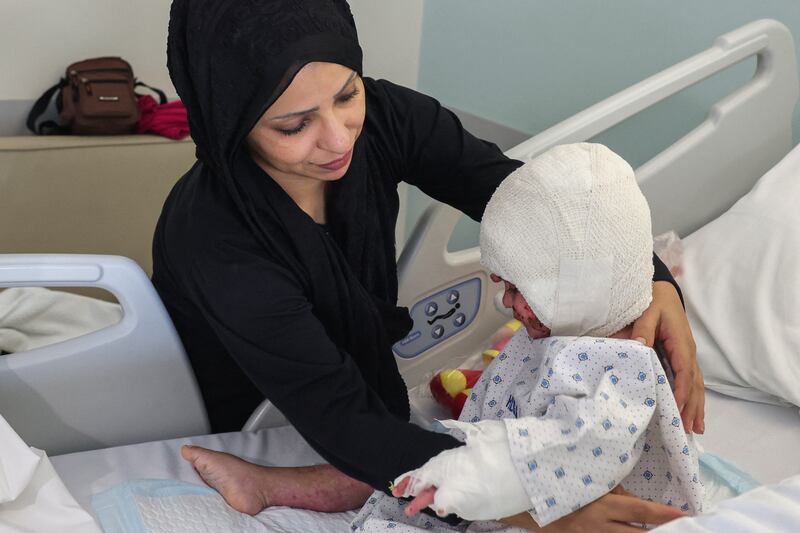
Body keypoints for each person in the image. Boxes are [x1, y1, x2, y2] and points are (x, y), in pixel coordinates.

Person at [153, 0, 704, 529]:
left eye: (348, 94)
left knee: (380, 461)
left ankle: (325, 479)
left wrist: (652, 282)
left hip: (356, 394)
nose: (338, 137)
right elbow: (342, 417)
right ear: (229, 122)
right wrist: (535, 502)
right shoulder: (214, 239)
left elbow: (532, 202)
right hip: (248, 405)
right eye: (293, 127)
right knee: (375, 456)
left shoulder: (385, 118)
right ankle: (279, 480)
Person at [355, 143, 703, 531]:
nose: (506, 302)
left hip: (575, 514)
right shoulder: (560, 328)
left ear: (578, 286)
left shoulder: (625, 366)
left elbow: (579, 447)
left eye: (518, 290)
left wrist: (466, 470)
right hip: (514, 498)